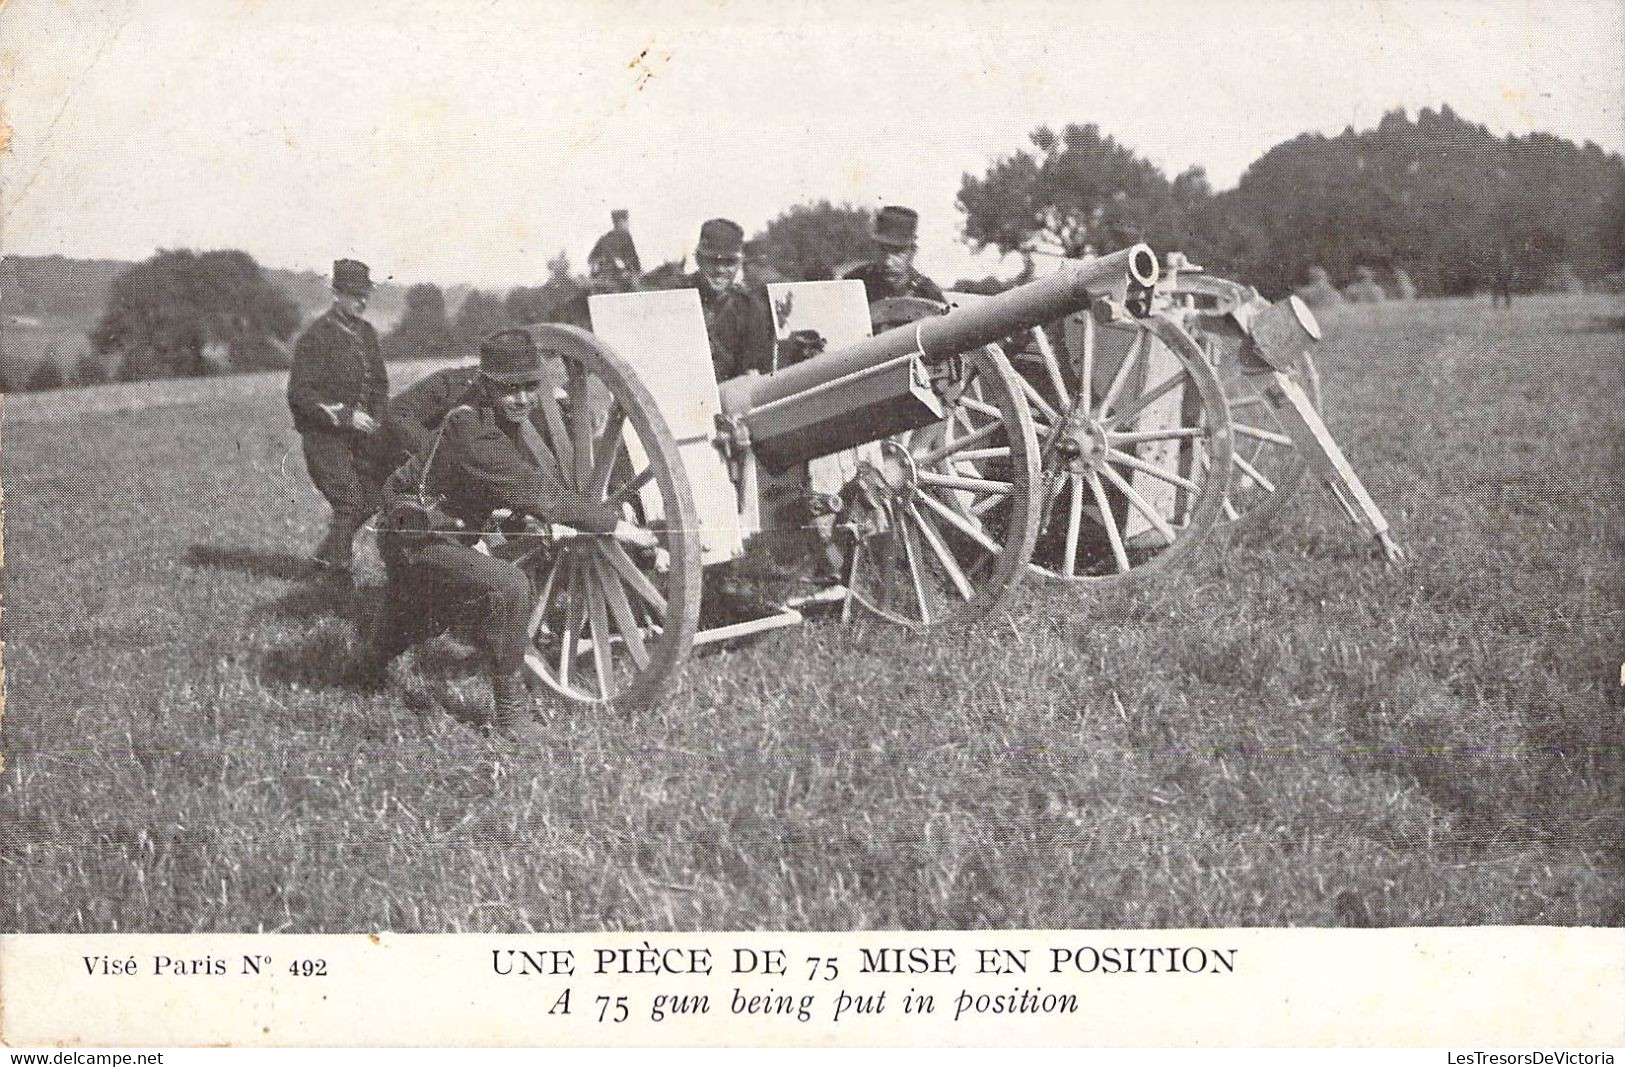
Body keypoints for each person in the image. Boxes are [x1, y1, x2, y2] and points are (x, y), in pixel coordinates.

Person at [356, 329, 659, 738]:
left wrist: (519, 520)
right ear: (485, 385)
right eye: (508, 389)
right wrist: (622, 528)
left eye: (530, 386)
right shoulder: (471, 430)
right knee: (510, 586)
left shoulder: (500, 420)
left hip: (440, 530)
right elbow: (539, 494)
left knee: (415, 616)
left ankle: (363, 668)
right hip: (415, 534)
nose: (521, 398)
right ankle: (512, 718)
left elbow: (504, 489)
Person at [286, 258, 388, 575]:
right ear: (336, 294)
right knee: (349, 501)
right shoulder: (316, 338)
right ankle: (337, 578)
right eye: (354, 294)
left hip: (360, 439)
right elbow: (300, 395)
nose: (362, 301)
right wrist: (346, 416)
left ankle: (323, 560)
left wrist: (376, 420)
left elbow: (380, 384)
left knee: (372, 497)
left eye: (365, 294)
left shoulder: (367, 333)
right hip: (324, 441)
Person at [679, 218, 775, 382]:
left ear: (739, 263)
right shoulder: (677, 298)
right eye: (713, 261)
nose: (720, 270)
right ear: (699, 259)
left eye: (729, 262)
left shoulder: (750, 308)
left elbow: (755, 369)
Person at [841, 205, 945, 304]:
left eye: (897, 251)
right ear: (874, 247)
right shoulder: (854, 283)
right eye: (882, 249)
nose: (888, 261)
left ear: (912, 252)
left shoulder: (928, 293)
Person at [586, 209, 642, 285]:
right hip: (614, 279)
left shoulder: (606, 238)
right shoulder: (609, 239)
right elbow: (592, 259)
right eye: (626, 221)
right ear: (620, 222)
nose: (628, 224)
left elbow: (634, 260)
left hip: (618, 278)